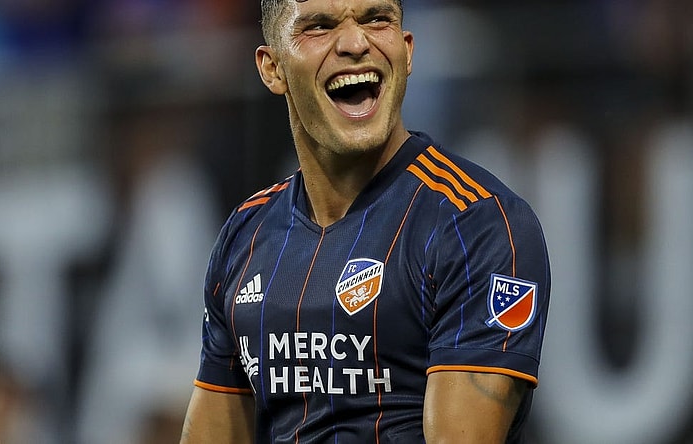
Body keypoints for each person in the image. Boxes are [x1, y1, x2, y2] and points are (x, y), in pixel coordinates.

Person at [180, 0, 550, 442]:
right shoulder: (246, 235)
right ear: (272, 69)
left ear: (408, 50)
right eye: (319, 27)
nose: (357, 44)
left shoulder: (477, 226)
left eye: (377, 19)